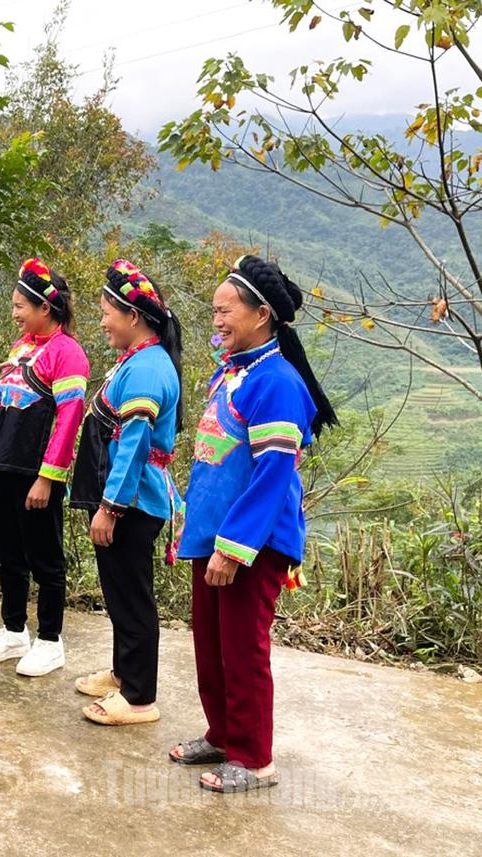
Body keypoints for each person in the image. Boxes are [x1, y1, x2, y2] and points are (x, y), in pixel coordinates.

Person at [170, 254, 337, 792]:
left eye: (225, 311)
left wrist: (233, 546)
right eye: (214, 311)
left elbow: (270, 476)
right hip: (210, 535)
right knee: (211, 645)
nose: (216, 320)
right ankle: (222, 735)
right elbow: (211, 460)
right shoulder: (232, 372)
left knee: (243, 649)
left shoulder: (278, 382)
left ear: (261, 313)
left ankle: (253, 757)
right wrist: (193, 526)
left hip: (253, 542)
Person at [69, 259, 184, 726]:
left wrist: (110, 509)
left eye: (106, 312)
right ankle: (122, 674)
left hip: (133, 503)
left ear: (132, 316)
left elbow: (134, 444)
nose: (101, 322)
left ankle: (139, 697)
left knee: (132, 597)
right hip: (126, 500)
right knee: (118, 592)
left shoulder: (147, 369)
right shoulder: (137, 361)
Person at [0, 258, 89, 677]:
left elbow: (69, 418)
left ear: (46, 309)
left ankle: (50, 639)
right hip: (4, 464)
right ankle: (13, 629)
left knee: (45, 556)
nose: (15, 312)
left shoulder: (67, 353)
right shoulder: (23, 347)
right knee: (8, 550)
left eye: (21, 305)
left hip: (36, 473)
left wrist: (47, 476)